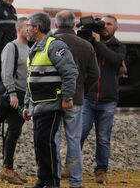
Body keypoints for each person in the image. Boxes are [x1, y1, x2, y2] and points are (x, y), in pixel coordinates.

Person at [23, 12, 78, 188]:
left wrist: (67, 97)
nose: (27, 29)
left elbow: (70, 72)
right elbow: (31, 80)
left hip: (51, 104)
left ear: (36, 27)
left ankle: (51, 182)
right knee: (41, 144)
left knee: (45, 143)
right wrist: (27, 104)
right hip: (38, 105)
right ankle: (44, 179)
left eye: (29, 25)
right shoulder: (36, 48)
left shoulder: (54, 46)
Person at [53, 10, 99, 188]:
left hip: (52, 100)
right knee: (74, 139)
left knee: (53, 140)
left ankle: (54, 179)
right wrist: (81, 90)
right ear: (73, 25)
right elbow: (94, 74)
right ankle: (75, 182)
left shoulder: (48, 42)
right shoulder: (85, 45)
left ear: (56, 24)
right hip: (76, 100)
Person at [80, 15, 126, 185]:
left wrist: (98, 43)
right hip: (88, 98)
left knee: (103, 138)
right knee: (80, 133)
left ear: (116, 28)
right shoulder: (89, 41)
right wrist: (92, 41)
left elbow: (115, 60)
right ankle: (72, 165)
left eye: (109, 24)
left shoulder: (118, 46)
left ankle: (101, 170)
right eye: (103, 23)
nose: (105, 26)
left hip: (108, 101)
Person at [0, 17, 29, 184]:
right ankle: (7, 169)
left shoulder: (30, 48)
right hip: (15, 95)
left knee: (14, 130)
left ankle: (8, 168)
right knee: (14, 130)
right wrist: (12, 94)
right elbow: (6, 72)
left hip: (25, 95)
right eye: (27, 26)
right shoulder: (11, 47)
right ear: (19, 29)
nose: (30, 29)